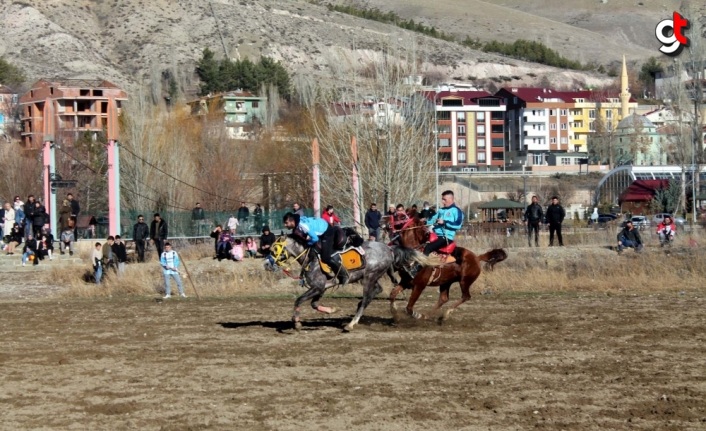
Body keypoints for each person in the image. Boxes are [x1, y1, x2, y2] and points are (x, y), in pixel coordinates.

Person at [283, 212, 349, 285]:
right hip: (321, 230)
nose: (285, 225)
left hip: (327, 231)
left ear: (292, 221)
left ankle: (343, 275)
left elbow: (315, 238)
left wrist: (308, 243)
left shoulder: (303, 226)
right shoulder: (297, 225)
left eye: (286, 223)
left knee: (325, 257)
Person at [424, 190, 464, 256]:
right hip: (435, 235)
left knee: (428, 248)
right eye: (442, 199)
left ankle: (421, 265)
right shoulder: (441, 210)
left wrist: (444, 222)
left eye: (444, 200)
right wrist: (424, 221)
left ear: (451, 199)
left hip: (445, 238)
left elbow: (458, 225)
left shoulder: (456, 211)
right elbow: (432, 219)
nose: (442, 202)